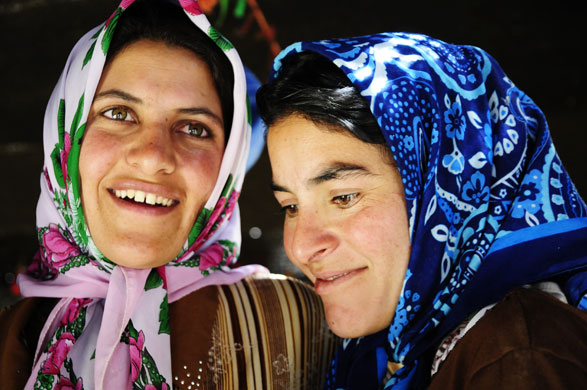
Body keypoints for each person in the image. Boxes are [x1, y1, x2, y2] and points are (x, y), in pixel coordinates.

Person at [0, 1, 337, 389]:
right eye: (119, 113)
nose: (153, 157)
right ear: (65, 139)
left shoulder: (299, 324)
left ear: (228, 165)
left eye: (194, 128)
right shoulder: (12, 335)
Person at [257, 32, 587, 389]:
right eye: (290, 206)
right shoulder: (391, 349)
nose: (302, 248)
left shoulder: (520, 353)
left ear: (448, 187)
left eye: (344, 198)